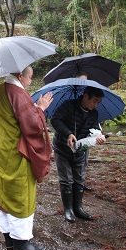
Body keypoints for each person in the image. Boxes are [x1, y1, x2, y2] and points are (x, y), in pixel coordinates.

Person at [0, 65, 54, 250]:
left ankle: (9, 240)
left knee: (4, 194)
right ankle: (22, 243)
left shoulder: (1, 90)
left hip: (1, 151)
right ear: (21, 76)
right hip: (15, 154)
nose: (30, 82)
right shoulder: (17, 93)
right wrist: (41, 108)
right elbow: (32, 126)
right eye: (30, 78)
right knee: (21, 194)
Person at [50, 86, 106, 223]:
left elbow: (93, 130)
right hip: (62, 147)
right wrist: (68, 133)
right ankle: (68, 209)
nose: (95, 104)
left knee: (79, 178)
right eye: (94, 100)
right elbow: (55, 120)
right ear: (86, 96)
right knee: (66, 179)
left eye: (98, 102)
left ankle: (78, 208)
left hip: (80, 149)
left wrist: (98, 137)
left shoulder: (94, 114)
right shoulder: (68, 105)